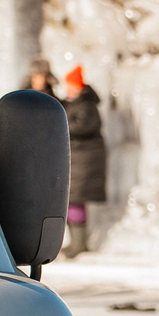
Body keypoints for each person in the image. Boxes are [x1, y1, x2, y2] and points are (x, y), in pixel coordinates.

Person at [61, 64, 106, 258]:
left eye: (71, 85)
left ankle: (79, 244)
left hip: (84, 160)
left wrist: (61, 123)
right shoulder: (72, 102)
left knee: (75, 201)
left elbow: (83, 127)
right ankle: (76, 243)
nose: (68, 89)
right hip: (77, 159)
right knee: (71, 201)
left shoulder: (86, 105)